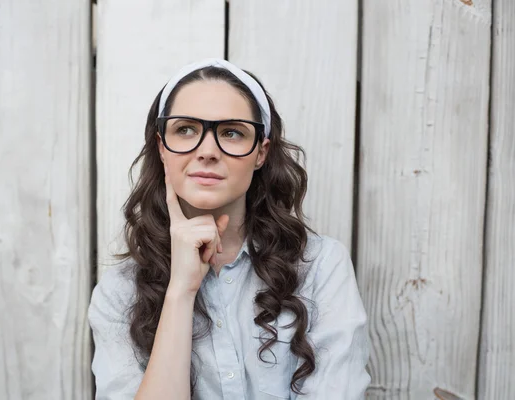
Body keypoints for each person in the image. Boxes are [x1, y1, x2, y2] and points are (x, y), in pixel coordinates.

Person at [88, 58, 371, 400]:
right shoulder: (118, 293)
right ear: (162, 147)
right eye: (186, 129)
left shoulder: (322, 266)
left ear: (261, 153)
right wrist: (181, 291)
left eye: (232, 132)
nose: (207, 151)